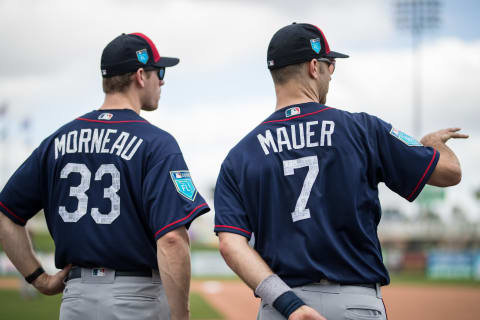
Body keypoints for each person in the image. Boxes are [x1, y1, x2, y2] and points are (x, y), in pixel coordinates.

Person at [214, 23, 468, 320]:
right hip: (354, 304)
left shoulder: (240, 155)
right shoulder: (363, 128)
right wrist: (433, 145)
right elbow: (450, 172)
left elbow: (231, 243)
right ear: (313, 67)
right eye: (329, 65)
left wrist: (288, 305)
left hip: (282, 309)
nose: (330, 73)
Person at [0, 32, 210, 320]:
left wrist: (40, 278)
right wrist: (181, 315)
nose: (162, 80)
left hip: (76, 299)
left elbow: (6, 215)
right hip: (136, 298)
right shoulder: (156, 143)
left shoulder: (56, 141)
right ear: (140, 75)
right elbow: (172, 239)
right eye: (158, 72)